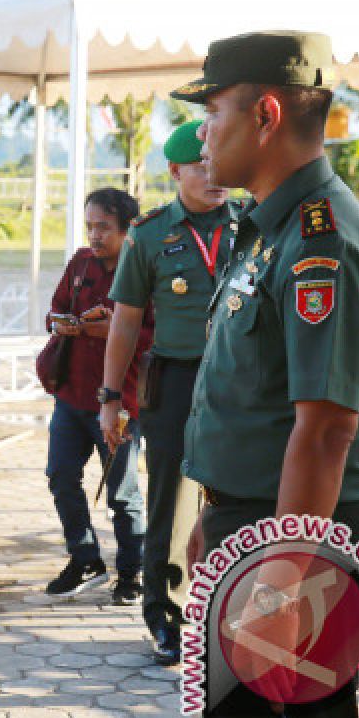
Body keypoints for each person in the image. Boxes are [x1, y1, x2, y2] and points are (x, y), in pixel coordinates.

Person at [174, 31, 359, 718]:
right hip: (255, 526)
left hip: (303, 536)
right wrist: (217, 516)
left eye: (213, 113)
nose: (201, 134)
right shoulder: (267, 228)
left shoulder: (321, 240)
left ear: (267, 115)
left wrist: (285, 567)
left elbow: (327, 427)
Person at [99, 121, 236, 666]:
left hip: (239, 381)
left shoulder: (252, 223)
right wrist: (111, 396)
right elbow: (125, 323)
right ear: (176, 171)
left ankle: (231, 610)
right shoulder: (149, 235)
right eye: (200, 165)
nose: (214, 174)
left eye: (217, 161)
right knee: (171, 504)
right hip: (176, 381)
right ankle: (169, 619)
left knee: (239, 497)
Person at [42, 188, 151, 605]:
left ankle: (131, 573)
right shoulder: (81, 263)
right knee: (60, 476)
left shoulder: (142, 268)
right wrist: (64, 323)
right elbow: (51, 312)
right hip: (71, 394)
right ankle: (85, 557)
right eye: (90, 226)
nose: (94, 235)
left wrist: (115, 331)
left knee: (123, 494)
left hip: (122, 400)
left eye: (103, 227)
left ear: (127, 230)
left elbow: (153, 335)